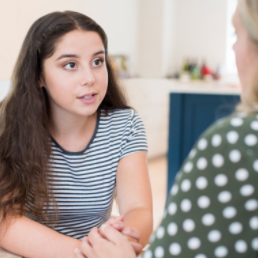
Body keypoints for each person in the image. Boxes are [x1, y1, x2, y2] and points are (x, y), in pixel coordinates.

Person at [75, 0, 258, 257]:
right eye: (70, 65)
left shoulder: (235, 141)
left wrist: (115, 248)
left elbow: (145, 219)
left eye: (237, 35)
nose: (89, 78)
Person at [0, 11, 153, 258]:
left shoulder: (126, 125)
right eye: (70, 65)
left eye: (97, 61)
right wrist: (89, 253)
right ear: (38, 76)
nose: (90, 78)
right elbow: (7, 222)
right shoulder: (7, 125)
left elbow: (139, 209)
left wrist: (118, 244)